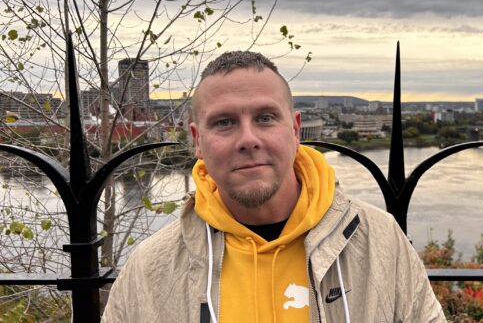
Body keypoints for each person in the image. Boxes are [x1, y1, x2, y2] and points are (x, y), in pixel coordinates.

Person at [102, 51, 446, 322]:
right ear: (197, 141)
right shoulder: (150, 270)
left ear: (295, 130)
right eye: (224, 122)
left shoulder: (380, 242)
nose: (248, 139)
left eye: (265, 118)